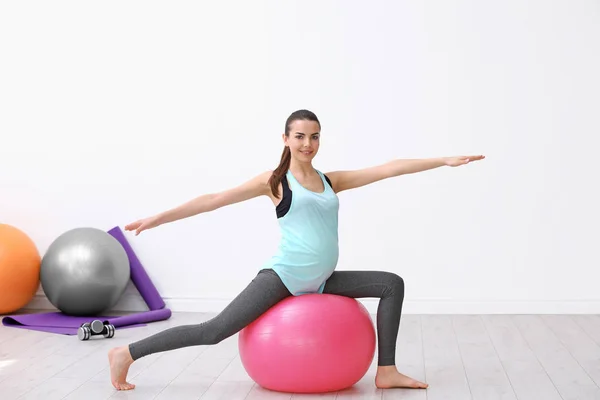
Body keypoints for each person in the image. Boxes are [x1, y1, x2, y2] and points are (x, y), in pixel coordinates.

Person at [108, 109, 484, 391]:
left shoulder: (330, 180)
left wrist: (443, 161)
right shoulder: (275, 181)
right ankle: (126, 354)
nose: (308, 144)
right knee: (215, 330)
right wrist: (157, 218)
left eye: (315, 136)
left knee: (391, 284)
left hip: (321, 281)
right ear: (286, 139)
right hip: (284, 277)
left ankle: (386, 370)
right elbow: (214, 200)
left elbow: (387, 169)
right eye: (300, 136)